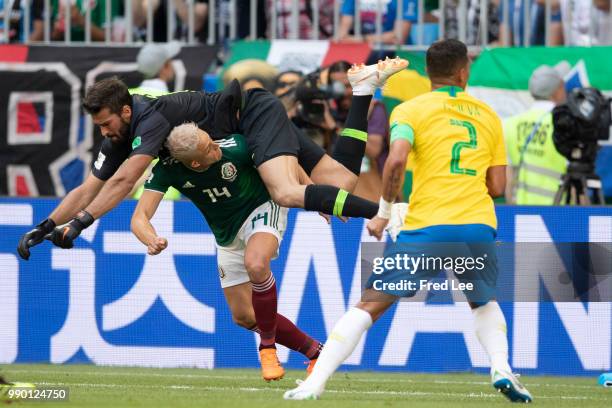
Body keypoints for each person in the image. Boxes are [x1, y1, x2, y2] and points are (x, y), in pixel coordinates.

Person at [284, 39, 532, 403]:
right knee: (482, 301)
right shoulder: (488, 114)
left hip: (427, 225)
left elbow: (396, 161)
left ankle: (313, 383)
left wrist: (384, 213)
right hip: (478, 224)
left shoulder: (411, 110)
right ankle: (501, 367)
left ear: (429, 73)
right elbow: (496, 185)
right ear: (464, 71)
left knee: (369, 305)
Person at [17, 57, 408, 258]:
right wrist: (49, 223)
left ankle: (387, 213)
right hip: (250, 125)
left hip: (252, 115)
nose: (103, 134)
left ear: (123, 111)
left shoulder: (149, 120)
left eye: (105, 124)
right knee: (340, 183)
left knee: (286, 193)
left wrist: (81, 224)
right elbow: (91, 186)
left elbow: (122, 183)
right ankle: (362, 90)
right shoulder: (119, 132)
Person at [132, 124, 323, 381]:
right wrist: (151, 239)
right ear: (196, 164)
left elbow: (285, 162)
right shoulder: (168, 170)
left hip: (262, 207)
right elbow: (139, 218)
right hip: (227, 234)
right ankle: (317, 353)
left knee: (256, 264)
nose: (216, 147)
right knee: (244, 316)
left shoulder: (237, 146)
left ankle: (267, 349)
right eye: (209, 148)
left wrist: (317, 195)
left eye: (211, 140)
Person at [504, 63, 568, 205]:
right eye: (562, 85)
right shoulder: (564, 126)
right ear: (556, 90)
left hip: (521, 212)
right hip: (560, 214)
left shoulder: (511, 124)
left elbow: (508, 177)